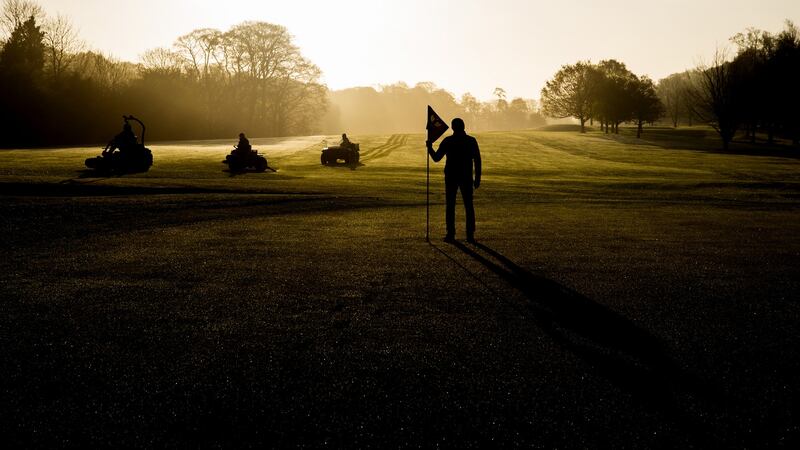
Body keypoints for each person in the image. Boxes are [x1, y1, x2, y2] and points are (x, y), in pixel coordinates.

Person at [427, 118, 481, 243]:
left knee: (450, 205)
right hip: (466, 176)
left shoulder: (448, 141)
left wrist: (430, 148)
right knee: (468, 205)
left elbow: (436, 158)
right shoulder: (471, 141)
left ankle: (451, 233)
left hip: (451, 177)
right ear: (463, 126)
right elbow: (477, 160)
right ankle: (470, 234)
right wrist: (477, 178)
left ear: (452, 127)